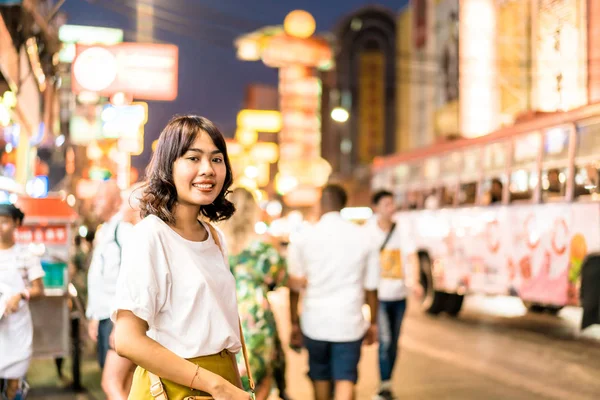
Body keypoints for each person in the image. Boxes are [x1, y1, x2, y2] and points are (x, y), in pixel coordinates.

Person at [112, 115, 251, 399]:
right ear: (168, 166)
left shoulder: (214, 237)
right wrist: (215, 384)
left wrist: (232, 386)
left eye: (216, 159)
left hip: (222, 381)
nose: (208, 170)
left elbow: (224, 327)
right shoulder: (150, 235)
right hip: (175, 388)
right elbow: (126, 340)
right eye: (193, 158)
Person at [288, 184, 379, 400]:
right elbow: (371, 287)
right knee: (345, 378)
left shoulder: (304, 237)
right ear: (343, 205)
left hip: (314, 323)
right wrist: (373, 322)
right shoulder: (364, 237)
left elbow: (293, 286)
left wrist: (293, 323)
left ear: (320, 204)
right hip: (349, 323)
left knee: (320, 376)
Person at [221, 187, 289, 400]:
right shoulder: (263, 247)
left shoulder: (214, 243)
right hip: (255, 319)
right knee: (259, 380)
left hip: (222, 316)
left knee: (227, 382)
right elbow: (280, 279)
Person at [85, 180, 135, 399]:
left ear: (116, 202)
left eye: (101, 197)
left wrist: (121, 321)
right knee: (122, 383)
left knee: (112, 382)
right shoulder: (105, 230)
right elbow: (99, 279)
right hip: (106, 316)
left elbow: (132, 275)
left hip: (119, 318)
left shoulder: (123, 230)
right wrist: (94, 316)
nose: (95, 202)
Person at [367, 191, 409, 400]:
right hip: (380, 296)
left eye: (393, 204)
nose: (391, 208)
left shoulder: (402, 229)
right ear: (376, 207)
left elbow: (411, 256)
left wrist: (416, 281)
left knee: (394, 343)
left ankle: (387, 381)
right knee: (384, 340)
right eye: (386, 204)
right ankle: (384, 385)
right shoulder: (368, 231)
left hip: (400, 295)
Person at [0, 204, 45, 400]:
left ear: (16, 223)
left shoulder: (27, 255)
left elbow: (38, 289)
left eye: (4, 222)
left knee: (14, 380)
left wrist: (20, 295)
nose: (0, 226)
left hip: (17, 327)